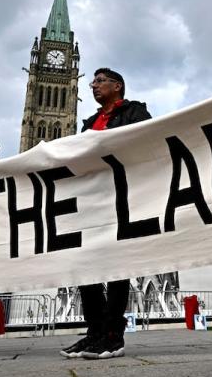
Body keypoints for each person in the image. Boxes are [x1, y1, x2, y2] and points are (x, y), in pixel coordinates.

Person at [60, 68, 151, 360]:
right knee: (86, 266)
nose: (93, 85)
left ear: (117, 85)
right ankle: (95, 331)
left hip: (121, 198)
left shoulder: (135, 112)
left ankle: (114, 334)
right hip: (91, 201)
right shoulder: (89, 123)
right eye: (93, 82)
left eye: (100, 81)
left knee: (116, 268)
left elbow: (146, 145)